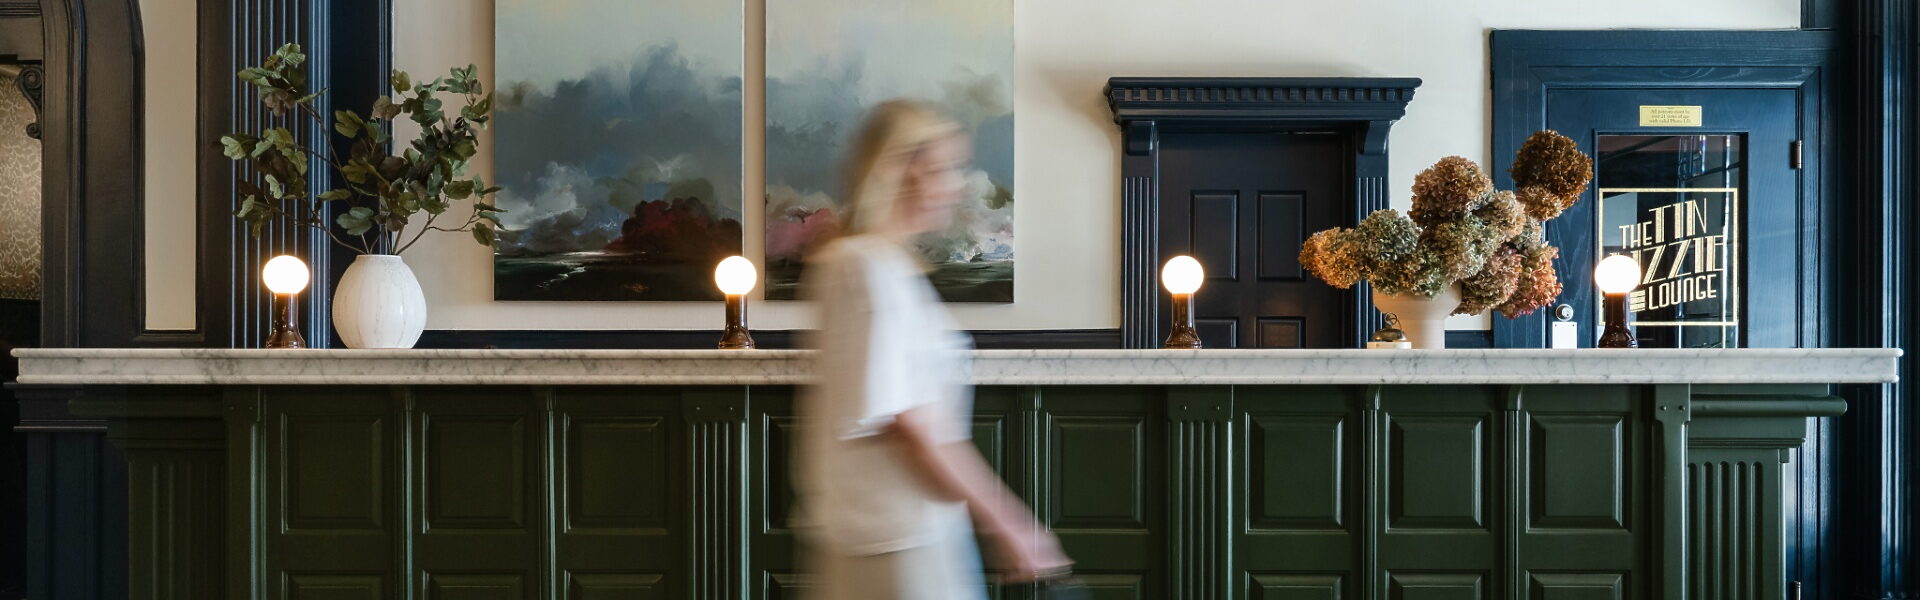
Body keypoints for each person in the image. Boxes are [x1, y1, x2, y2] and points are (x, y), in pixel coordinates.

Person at [796, 99, 1071, 599]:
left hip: (906, 533)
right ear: (902, 173)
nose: (958, 184)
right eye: (944, 168)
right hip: (895, 542)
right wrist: (1008, 522)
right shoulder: (866, 268)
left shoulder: (882, 268)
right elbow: (911, 424)